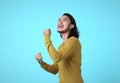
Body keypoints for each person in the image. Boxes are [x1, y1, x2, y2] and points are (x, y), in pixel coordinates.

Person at [35, 13, 84, 83]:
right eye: (59, 20)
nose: (60, 22)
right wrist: (41, 62)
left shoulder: (74, 41)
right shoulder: (61, 46)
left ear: (71, 26)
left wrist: (46, 37)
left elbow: (57, 57)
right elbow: (55, 69)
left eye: (64, 20)